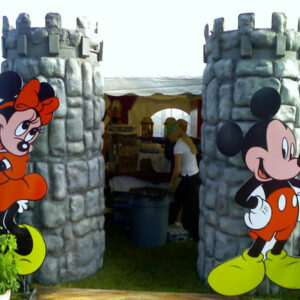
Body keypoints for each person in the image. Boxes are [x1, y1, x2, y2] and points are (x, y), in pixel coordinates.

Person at [165, 123, 200, 240]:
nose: (168, 139)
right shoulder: (186, 140)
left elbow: (177, 169)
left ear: (172, 134)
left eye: (168, 136)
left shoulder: (178, 146)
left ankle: (195, 235)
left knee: (189, 207)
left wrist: (171, 183)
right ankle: (177, 224)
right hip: (193, 176)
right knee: (178, 200)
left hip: (189, 178)